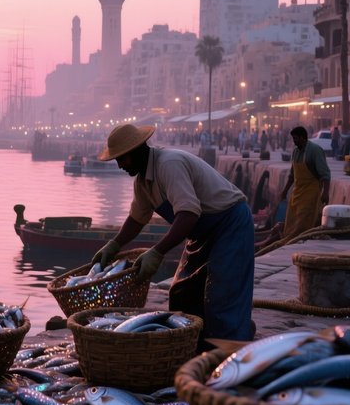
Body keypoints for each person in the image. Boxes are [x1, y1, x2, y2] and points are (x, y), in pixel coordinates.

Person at [90, 123, 255, 343]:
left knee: (222, 297)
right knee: (181, 294)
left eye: (123, 158)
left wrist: (157, 252)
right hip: (200, 234)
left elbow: (188, 214)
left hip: (229, 224)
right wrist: (114, 243)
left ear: (138, 150)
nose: (120, 165)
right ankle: (197, 344)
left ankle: (231, 350)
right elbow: (137, 219)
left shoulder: (169, 164)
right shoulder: (142, 182)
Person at [279, 126, 330, 240]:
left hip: (311, 193)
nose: (294, 141)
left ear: (303, 138)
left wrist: (325, 192)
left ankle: (301, 239)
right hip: (297, 193)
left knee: (304, 220)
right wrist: (285, 191)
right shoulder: (295, 152)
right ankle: (289, 239)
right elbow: (292, 175)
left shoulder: (315, 150)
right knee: (291, 219)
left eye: (296, 138)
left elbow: (325, 174)